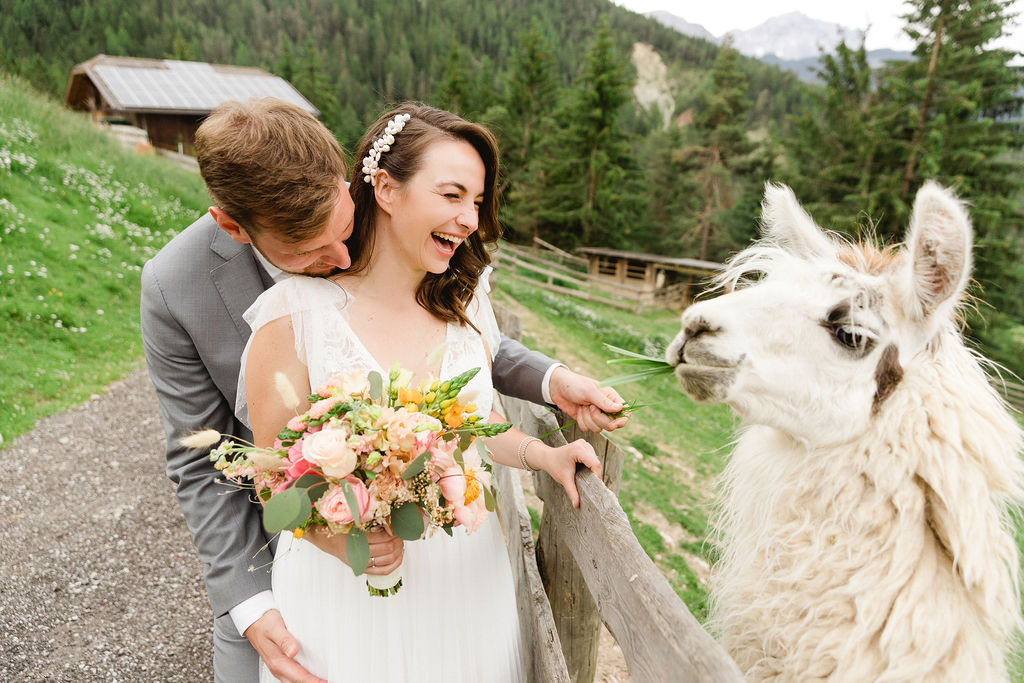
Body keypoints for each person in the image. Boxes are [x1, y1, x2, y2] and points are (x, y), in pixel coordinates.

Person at [140, 98, 626, 682]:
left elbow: (468, 395)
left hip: (462, 580)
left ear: (356, 184)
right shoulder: (202, 293)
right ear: (235, 228)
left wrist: (549, 425)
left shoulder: (450, 287)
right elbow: (220, 469)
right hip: (321, 569)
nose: (341, 258)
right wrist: (265, 590)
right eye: (308, 251)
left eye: (344, 229)